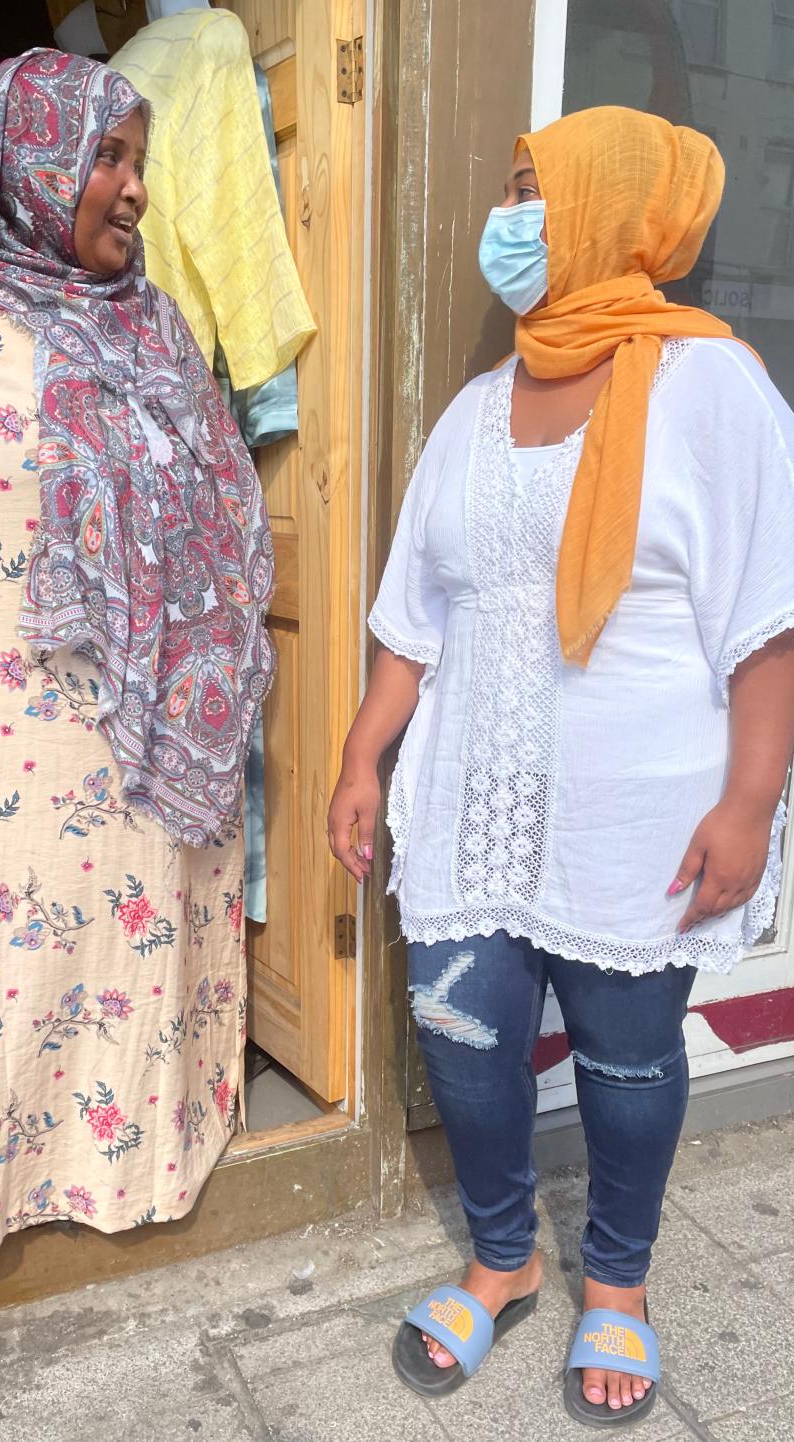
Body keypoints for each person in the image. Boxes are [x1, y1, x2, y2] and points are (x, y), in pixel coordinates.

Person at [328, 106, 794, 1426]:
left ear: (607, 207)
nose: (513, 218)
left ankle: (621, 1283)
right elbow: (414, 612)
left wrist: (751, 804)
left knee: (628, 1057)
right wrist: (368, 751)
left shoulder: (715, 389)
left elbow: (770, 618)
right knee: (464, 1034)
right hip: (475, 798)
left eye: (538, 192)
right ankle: (503, 1251)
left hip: (637, 816)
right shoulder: (479, 411)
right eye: (510, 188)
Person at [0, 48, 273, 1265]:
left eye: (138, 159)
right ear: (23, 157)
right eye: (107, 156)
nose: (133, 187)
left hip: (139, 732)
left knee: (125, 946)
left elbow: (219, 506)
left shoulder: (162, 326)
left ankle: (129, 1163)